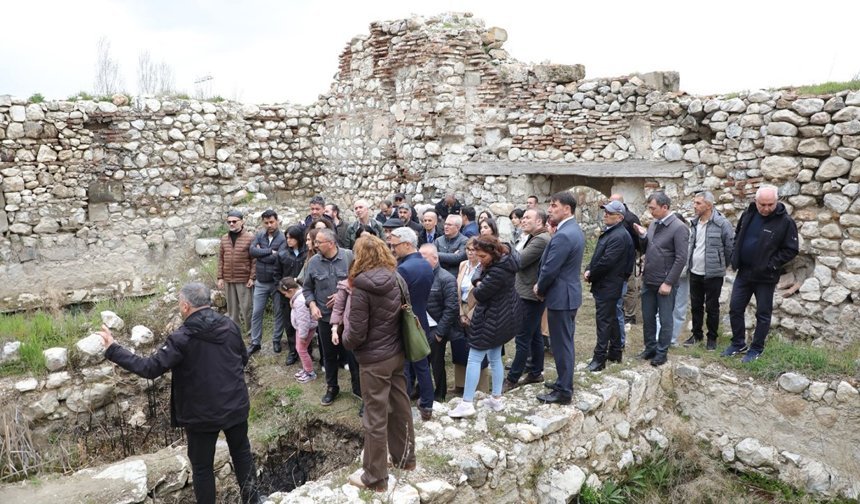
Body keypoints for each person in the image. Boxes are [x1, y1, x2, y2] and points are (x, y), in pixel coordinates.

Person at [98, 283, 260, 504]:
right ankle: (253, 500)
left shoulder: (182, 337)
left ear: (185, 306)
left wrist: (113, 349)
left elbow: (150, 368)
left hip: (202, 414)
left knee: (202, 468)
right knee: (242, 454)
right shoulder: (229, 325)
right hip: (235, 405)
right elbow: (242, 358)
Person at [343, 234, 416, 492]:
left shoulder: (362, 287)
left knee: (375, 417)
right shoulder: (396, 277)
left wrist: (344, 337)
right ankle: (405, 459)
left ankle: (374, 477)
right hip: (396, 353)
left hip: (374, 360)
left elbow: (356, 334)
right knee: (400, 406)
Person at [448, 235, 522, 418]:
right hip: (504, 316)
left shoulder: (498, 271)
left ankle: (466, 403)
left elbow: (479, 293)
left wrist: (479, 283)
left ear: (492, 252)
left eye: (482, 256)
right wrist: (479, 280)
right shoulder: (503, 261)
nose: (479, 260)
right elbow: (477, 279)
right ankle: (496, 398)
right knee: (495, 356)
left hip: (493, 318)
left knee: (474, 357)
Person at [723, 185, 798, 362]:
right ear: (756, 201)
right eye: (762, 204)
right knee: (735, 308)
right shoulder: (748, 214)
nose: (766, 208)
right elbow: (738, 235)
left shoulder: (785, 222)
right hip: (744, 272)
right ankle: (738, 343)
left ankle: (756, 349)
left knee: (763, 314)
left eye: (770, 204)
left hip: (766, 276)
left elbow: (791, 249)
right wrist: (735, 255)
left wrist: (770, 264)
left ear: (777, 201)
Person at [534, 191, 585, 405]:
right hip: (567, 293)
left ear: (567, 209)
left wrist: (540, 287)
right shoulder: (574, 230)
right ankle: (563, 381)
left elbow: (550, 268)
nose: (550, 209)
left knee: (561, 344)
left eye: (554, 206)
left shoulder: (564, 234)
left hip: (560, 295)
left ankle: (564, 390)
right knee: (565, 341)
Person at [303, 228, 360, 406]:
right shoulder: (313, 262)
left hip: (349, 318)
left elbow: (360, 281)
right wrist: (312, 305)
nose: (315, 245)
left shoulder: (349, 256)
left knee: (354, 356)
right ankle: (332, 387)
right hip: (325, 318)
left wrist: (342, 293)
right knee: (328, 355)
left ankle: (358, 389)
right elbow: (307, 289)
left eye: (319, 242)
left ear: (331, 243)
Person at [633, 191, 689, 367]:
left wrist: (668, 282)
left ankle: (662, 352)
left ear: (665, 207)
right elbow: (649, 248)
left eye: (653, 208)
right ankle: (650, 348)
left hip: (665, 282)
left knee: (665, 319)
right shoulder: (654, 224)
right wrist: (642, 236)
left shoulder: (679, 227)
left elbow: (681, 258)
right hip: (649, 279)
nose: (650, 211)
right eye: (650, 208)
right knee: (648, 317)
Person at [389, 227, 435, 421]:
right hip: (420, 319)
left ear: (407, 244)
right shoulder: (426, 264)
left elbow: (396, 298)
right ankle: (427, 404)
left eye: (395, 245)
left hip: (406, 321)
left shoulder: (403, 269)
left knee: (405, 366)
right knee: (422, 364)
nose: (392, 249)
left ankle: (403, 404)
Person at [584, 201, 635, 372]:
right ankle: (614, 352)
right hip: (608, 283)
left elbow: (607, 262)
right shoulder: (613, 233)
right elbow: (599, 256)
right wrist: (589, 267)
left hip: (609, 284)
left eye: (609, 213)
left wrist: (591, 274)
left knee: (604, 321)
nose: (605, 215)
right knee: (611, 319)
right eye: (605, 212)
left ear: (619, 217)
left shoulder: (619, 235)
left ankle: (599, 359)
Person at [504, 208, 551, 390]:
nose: (523, 221)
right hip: (527, 292)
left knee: (522, 337)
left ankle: (512, 378)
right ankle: (535, 371)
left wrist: (507, 248)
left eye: (527, 218)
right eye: (522, 218)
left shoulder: (540, 240)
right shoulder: (534, 237)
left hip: (530, 295)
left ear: (539, 222)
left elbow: (519, 260)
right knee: (534, 335)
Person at [684, 191, 735, 351]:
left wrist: (721, 265)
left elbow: (729, 247)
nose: (694, 206)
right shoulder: (694, 223)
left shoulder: (722, 223)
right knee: (696, 305)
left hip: (713, 273)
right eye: (694, 202)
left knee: (712, 307)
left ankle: (712, 338)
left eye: (698, 203)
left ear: (709, 205)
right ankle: (697, 334)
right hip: (695, 271)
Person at [420, 243, 462, 402]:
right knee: (422, 362)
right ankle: (423, 388)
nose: (420, 261)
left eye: (423, 258)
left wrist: (439, 333)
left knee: (437, 364)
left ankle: (440, 393)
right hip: (421, 326)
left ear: (435, 258)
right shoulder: (420, 275)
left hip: (436, 328)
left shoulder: (446, 278)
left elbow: (451, 308)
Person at [248, 209, 286, 355]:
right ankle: (255, 342)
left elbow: (278, 259)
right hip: (261, 282)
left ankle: (276, 340)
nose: (269, 225)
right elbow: (252, 252)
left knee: (278, 312)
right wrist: (270, 251)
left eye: (271, 222)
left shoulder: (282, 238)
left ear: (277, 221)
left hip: (276, 282)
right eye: (266, 223)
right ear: (263, 223)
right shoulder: (259, 235)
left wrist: (261, 252)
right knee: (257, 312)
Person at [609, 194, 643, 345]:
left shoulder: (630, 218)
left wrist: (637, 254)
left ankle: (630, 314)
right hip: (616, 256)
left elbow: (638, 238)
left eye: (612, 202)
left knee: (629, 284)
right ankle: (621, 310)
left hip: (628, 256)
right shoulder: (612, 217)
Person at [217, 210, 255, 336]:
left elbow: (254, 260)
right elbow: (221, 259)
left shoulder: (250, 237)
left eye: (234, 221)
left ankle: (251, 331)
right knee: (232, 309)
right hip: (228, 278)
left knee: (246, 307)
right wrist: (220, 277)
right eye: (229, 222)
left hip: (243, 279)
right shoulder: (224, 238)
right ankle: (235, 332)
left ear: (242, 221)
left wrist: (252, 277)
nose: (231, 224)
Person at [279, 277, 317, 383]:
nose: (285, 296)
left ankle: (310, 372)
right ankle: (306, 369)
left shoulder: (300, 301)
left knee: (302, 350)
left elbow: (304, 321)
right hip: (301, 329)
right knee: (300, 348)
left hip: (305, 330)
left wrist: (303, 336)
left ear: (291, 290)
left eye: (285, 294)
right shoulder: (298, 296)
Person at [279, 225, 307, 365]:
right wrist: (283, 289)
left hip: (304, 295)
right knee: (289, 324)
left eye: (291, 238)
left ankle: (305, 350)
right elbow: (276, 274)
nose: (288, 241)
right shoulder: (282, 253)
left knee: (304, 322)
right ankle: (292, 351)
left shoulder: (307, 252)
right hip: (287, 295)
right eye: (287, 238)